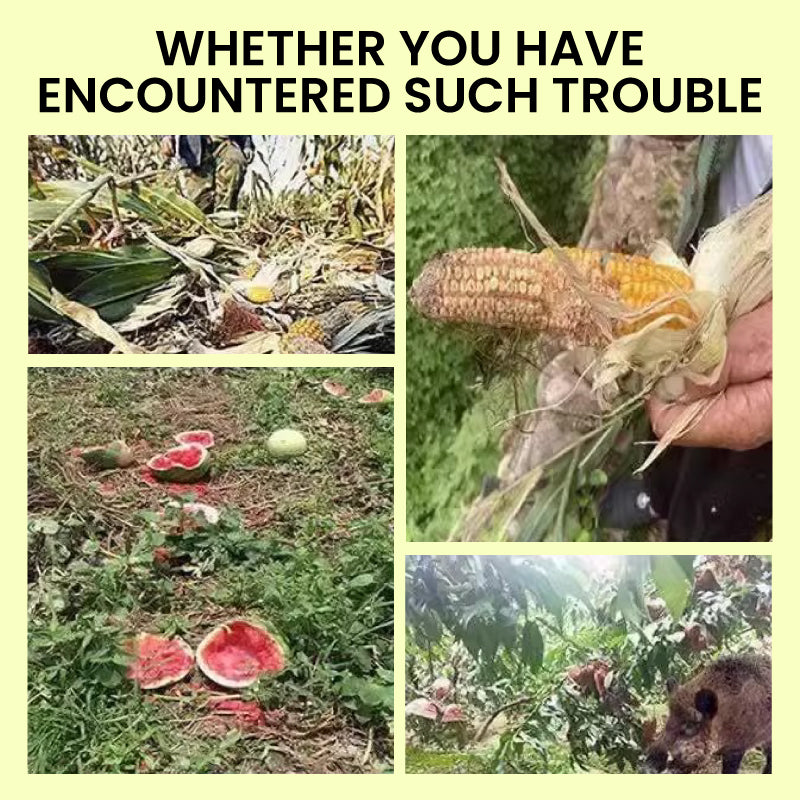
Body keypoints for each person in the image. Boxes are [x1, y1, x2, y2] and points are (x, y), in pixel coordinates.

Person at [600, 135, 773, 540]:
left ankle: (695, 533)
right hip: (726, 232)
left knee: (733, 469)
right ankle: (658, 494)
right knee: (672, 404)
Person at [160, 135, 254, 212]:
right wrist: (165, 136)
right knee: (199, 207)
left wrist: (247, 145)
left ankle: (224, 212)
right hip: (194, 151)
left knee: (235, 160)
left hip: (224, 143)